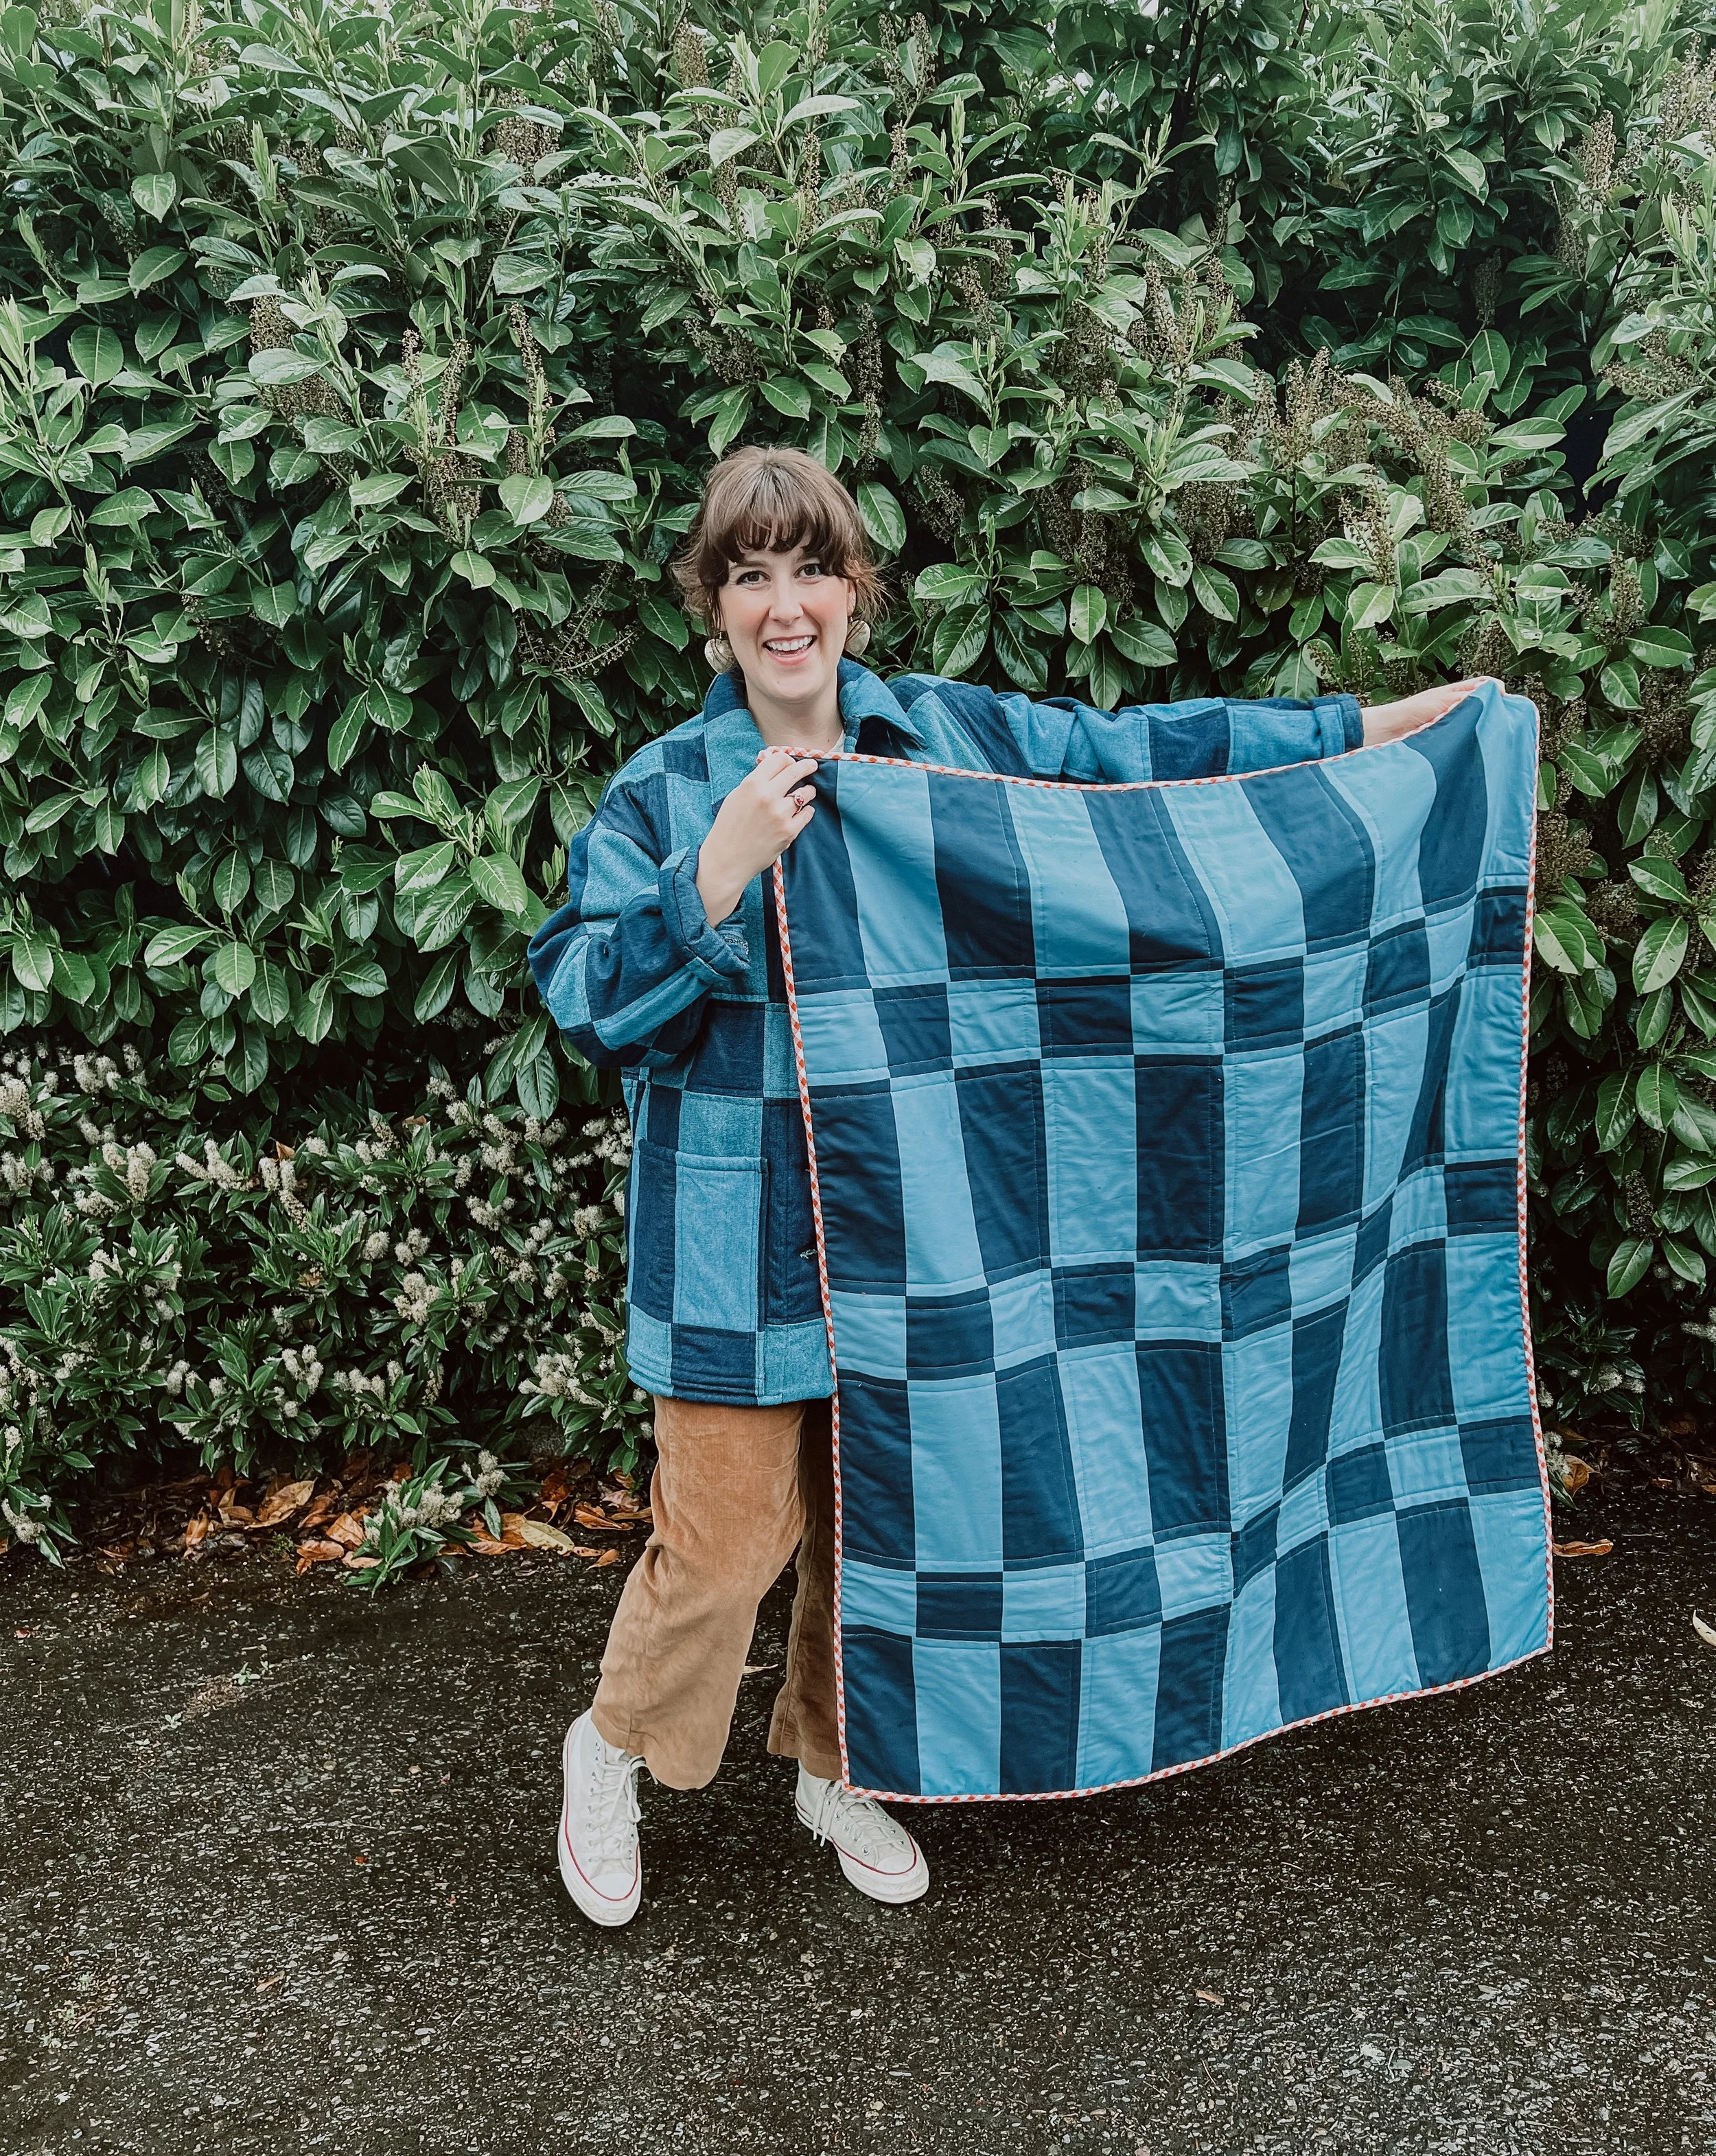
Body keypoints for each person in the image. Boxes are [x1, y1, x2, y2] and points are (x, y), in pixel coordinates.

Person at [527, 443, 1484, 1927]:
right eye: (750, 575)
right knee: (718, 1552)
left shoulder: (937, 740)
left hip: (928, 1226)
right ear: (711, 606)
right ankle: (610, 1749)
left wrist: (1370, 730)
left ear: (852, 587)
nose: (785, 605)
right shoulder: (665, 788)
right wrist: (709, 878)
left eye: (810, 569)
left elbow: (1134, 760)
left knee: (895, 1525)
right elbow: (583, 1000)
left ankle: (835, 1763)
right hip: (737, 1243)